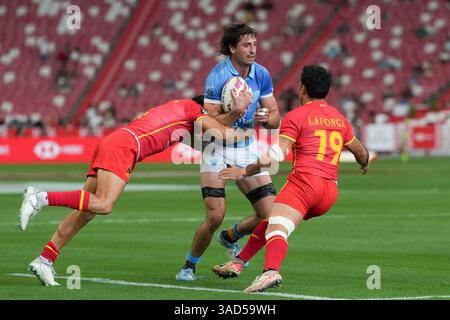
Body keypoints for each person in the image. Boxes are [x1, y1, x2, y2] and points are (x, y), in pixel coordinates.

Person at [18, 93, 251, 286]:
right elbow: (219, 132)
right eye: (212, 107)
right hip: (125, 146)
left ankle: (45, 260)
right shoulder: (192, 109)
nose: (213, 112)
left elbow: (209, 134)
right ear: (203, 106)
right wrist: (243, 123)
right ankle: (40, 197)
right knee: (104, 204)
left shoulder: (177, 109)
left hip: (116, 140)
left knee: (85, 211)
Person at [212, 65, 369, 293]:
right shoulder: (339, 119)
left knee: (278, 227)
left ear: (301, 88)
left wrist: (244, 171)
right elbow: (361, 152)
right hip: (329, 193)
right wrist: (363, 163)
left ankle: (270, 272)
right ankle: (238, 262)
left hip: (305, 184)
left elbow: (276, 154)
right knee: (273, 218)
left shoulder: (297, 116)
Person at [176, 23, 281, 281]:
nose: (253, 50)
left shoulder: (262, 74)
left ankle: (230, 236)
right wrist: (237, 111)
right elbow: (211, 122)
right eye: (247, 45)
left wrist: (266, 119)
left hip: (246, 147)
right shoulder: (217, 76)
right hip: (216, 149)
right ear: (233, 48)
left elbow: (276, 116)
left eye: (255, 44)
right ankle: (188, 267)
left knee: (270, 213)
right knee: (215, 216)